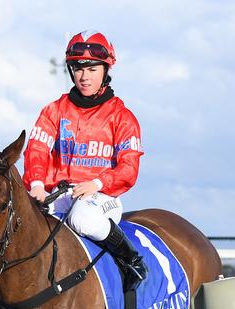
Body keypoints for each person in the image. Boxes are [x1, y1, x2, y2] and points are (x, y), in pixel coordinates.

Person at [23, 30, 146, 292]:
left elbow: (129, 168)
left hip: (101, 197)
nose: (84, 76)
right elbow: (36, 149)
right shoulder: (54, 111)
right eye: (78, 68)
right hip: (58, 194)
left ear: (105, 70)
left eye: (92, 68)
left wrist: (97, 183)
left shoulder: (123, 117)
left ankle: (131, 259)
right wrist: (35, 184)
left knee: (82, 219)